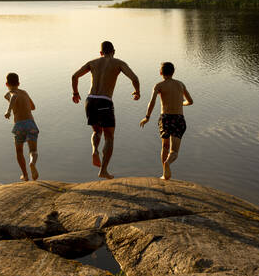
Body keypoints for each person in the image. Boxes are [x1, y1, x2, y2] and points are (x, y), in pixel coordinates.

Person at [72, 41, 140, 179]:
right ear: (114, 51)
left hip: (90, 100)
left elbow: (74, 76)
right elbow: (134, 78)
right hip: (105, 101)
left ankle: (95, 150)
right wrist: (137, 91)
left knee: (97, 131)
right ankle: (103, 170)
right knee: (109, 137)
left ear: (100, 52)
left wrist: (75, 93)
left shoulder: (92, 62)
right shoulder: (118, 63)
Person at [139, 62, 193, 180]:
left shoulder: (159, 85)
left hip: (165, 119)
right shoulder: (180, 85)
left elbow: (152, 102)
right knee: (174, 151)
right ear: (173, 72)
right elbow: (190, 101)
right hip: (178, 118)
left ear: (160, 73)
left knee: (165, 147)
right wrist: (181, 103)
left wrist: (147, 117)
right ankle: (168, 162)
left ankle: (164, 173)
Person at [4, 73, 39, 181]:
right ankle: (32, 163)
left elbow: (13, 96)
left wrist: (9, 110)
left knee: (19, 151)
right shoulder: (24, 92)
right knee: (33, 150)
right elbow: (33, 107)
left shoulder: (9, 93)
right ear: (19, 83)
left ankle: (25, 175)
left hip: (19, 125)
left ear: (6, 84)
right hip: (30, 123)